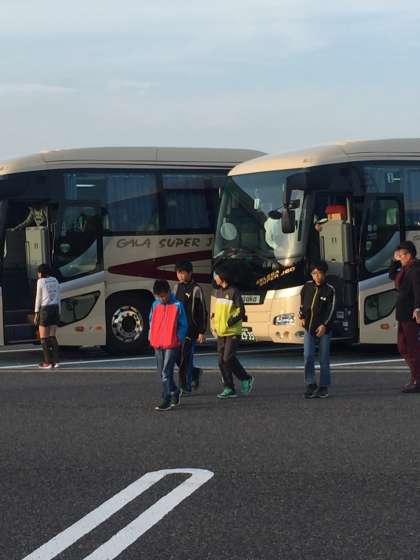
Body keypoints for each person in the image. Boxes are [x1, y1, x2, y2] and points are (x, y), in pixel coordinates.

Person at [211, 267, 254, 399]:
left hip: (232, 331)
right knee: (221, 361)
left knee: (227, 358)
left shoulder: (234, 291)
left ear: (222, 276)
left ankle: (245, 378)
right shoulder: (218, 291)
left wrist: (228, 323)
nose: (214, 278)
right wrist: (214, 321)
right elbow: (218, 311)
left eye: (216, 275)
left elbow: (241, 311)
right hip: (221, 332)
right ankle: (229, 388)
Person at [149, 279, 188, 411]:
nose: (162, 299)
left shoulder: (177, 305)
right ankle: (174, 391)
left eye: (164, 296)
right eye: (159, 296)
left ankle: (166, 398)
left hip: (172, 344)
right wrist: (151, 336)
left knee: (166, 372)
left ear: (169, 292)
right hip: (157, 343)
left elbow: (183, 325)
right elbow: (151, 321)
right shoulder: (155, 304)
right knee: (162, 372)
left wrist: (178, 339)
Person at [299, 261, 336, 399]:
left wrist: (324, 325)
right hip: (308, 328)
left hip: (324, 329)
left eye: (320, 273)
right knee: (308, 356)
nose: (317, 276)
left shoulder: (330, 289)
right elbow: (302, 304)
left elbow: (332, 309)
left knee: (323, 358)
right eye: (314, 273)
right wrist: (302, 316)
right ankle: (310, 383)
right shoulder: (307, 287)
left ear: (325, 274)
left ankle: (324, 386)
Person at [389, 241, 420, 393]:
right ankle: (416, 377)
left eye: (402, 255)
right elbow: (391, 276)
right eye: (399, 254)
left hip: (410, 314)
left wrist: (418, 308)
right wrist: (393, 261)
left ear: (410, 254)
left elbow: (417, 290)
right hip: (402, 314)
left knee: (412, 348)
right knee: (402, 347)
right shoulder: (405, 268)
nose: (400, 257)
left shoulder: (415, 269)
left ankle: (417, 380)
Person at [173, 260, 207, 393]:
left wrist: (202, 331)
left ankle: (185, 386)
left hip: (191, 330)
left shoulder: (196, 289)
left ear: (190, 273)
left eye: (183, 273)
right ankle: (194, 372)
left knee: (186, 358)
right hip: (178, 330)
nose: (180, 276)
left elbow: (202, 311)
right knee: (176, 357)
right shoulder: (176, 288)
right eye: (178, 273)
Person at [34, 264, 61, 369]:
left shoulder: (41, 281)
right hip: (55, 308)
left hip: (45, 310)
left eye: (38, 272)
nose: (38, 274)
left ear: (41, 273)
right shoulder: (55, 280)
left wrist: (36, 312)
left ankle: (47, 363)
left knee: (44, 338)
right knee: (52, 336)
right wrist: (59, 311)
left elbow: (38, 298)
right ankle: (56, 362)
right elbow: (58, 296)